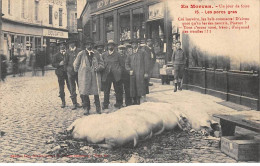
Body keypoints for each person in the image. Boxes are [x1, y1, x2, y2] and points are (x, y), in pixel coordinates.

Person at [73, 38, 104, 115]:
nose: (89, 46)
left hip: (95, 75)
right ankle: (86, 108)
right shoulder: (81, 54)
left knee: (96, 91)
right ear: (85, 45)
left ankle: (98, 107)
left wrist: (99, 67)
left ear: (92, 45)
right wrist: (79, 71)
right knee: (84, 92)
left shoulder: (97, 54)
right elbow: (75, 64)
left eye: (90, 44)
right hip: (84, 76)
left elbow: (102, 64)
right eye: (87, 44)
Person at [125, 39, 149, 105]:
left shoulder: (142, 52)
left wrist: (146, 72)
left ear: (138, 44)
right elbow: (127, 63)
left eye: (135, 44)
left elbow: (146, 63)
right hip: (133, 73)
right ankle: (134, 101)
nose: (134, 45)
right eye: (132, 44)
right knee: (133, 88)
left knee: (140, 88)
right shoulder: (130, 54)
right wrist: (129, 70)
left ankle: (140, 101)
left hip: (140, 73)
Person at [102, 40, 123, 109]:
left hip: (116, 75)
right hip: (107, 75)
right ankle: (105, 104)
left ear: (114, 46)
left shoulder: (118, 54)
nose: (110, 46)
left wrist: (119, 71)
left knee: (118, 90)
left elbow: (121, 64)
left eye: (112, 45)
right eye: (109, 45)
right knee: (106, 90)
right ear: (107, 46)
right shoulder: (104, 55)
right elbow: (101, 64)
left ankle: (119, 103)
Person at [64, 39, 82, 110]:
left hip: (79, 72)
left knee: (81, 87)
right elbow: (65, 62)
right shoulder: (67, 52)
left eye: (72, 42)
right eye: (70, 43)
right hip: (70, 73)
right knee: (72, 88)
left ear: (75, 43)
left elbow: (82, 61)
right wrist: (67, 70)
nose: (71, 44)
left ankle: (84, 102)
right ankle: (74, 103)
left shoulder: (79, 51)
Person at [52, 42, 70, 108]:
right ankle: (63, 101)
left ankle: (74, 102)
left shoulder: (68, 53)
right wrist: (59, 64)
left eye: (64, 45)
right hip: (60, 73)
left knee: (71, 87)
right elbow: (53, 64)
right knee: (61, 88)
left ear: (65, 46)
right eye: (61, 45)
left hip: (68, 73)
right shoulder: (56, 55)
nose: (62, 46)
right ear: (59, 47)